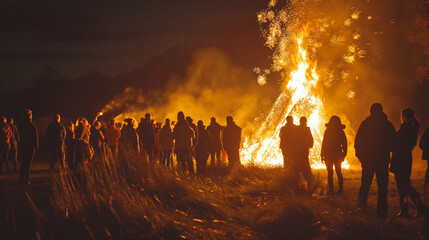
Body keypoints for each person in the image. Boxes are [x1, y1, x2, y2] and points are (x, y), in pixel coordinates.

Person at [355, 103, 396, 218]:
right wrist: (388, 151)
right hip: (381, 160)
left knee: (366, 184)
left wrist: (361, 157)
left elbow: (357, 143)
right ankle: (381, 210)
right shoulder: (387, 125)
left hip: (369, 160)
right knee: (382, 186)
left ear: (371, 111)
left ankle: (362, 205)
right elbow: (394, 142)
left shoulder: (366, 124)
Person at [390, 108, 425, 217]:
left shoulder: (406, 127)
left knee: (403, 186)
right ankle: (406, 210)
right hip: (405, 158)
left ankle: (416, 207)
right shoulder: (412, 127)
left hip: (401, 159)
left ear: (403, 116)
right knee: (404, 185)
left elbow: (398, 142)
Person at [321, 116, 347, 195]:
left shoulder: (328, 131)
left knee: (330, 173)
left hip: (329, 154)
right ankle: (340, 190)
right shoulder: (340, 131)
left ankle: (331, 190)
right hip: (337, 154)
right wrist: (344, 154)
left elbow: (324, 143)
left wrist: (322, 154)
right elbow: (345, 144)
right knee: (338, 172)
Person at [294, 116, 314, 192]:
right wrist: (309, 145)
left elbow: (294, 139)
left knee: (298, 165)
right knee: (305, 164)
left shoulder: (297, 129)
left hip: (298, 149)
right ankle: (308, 181)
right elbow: (310, 138)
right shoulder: (306, 129)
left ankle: (297, 183)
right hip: (304, 149)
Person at [18, 109, 39, 184]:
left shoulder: (21, 125)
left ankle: (21, 179)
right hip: (30, 148)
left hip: (23, 147)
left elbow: (19, 136)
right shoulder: (31, 125)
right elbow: (35, 137)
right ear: (30, 116)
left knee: (23, 163)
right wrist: (36, 146)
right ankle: (26, 179)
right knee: (28, 164)